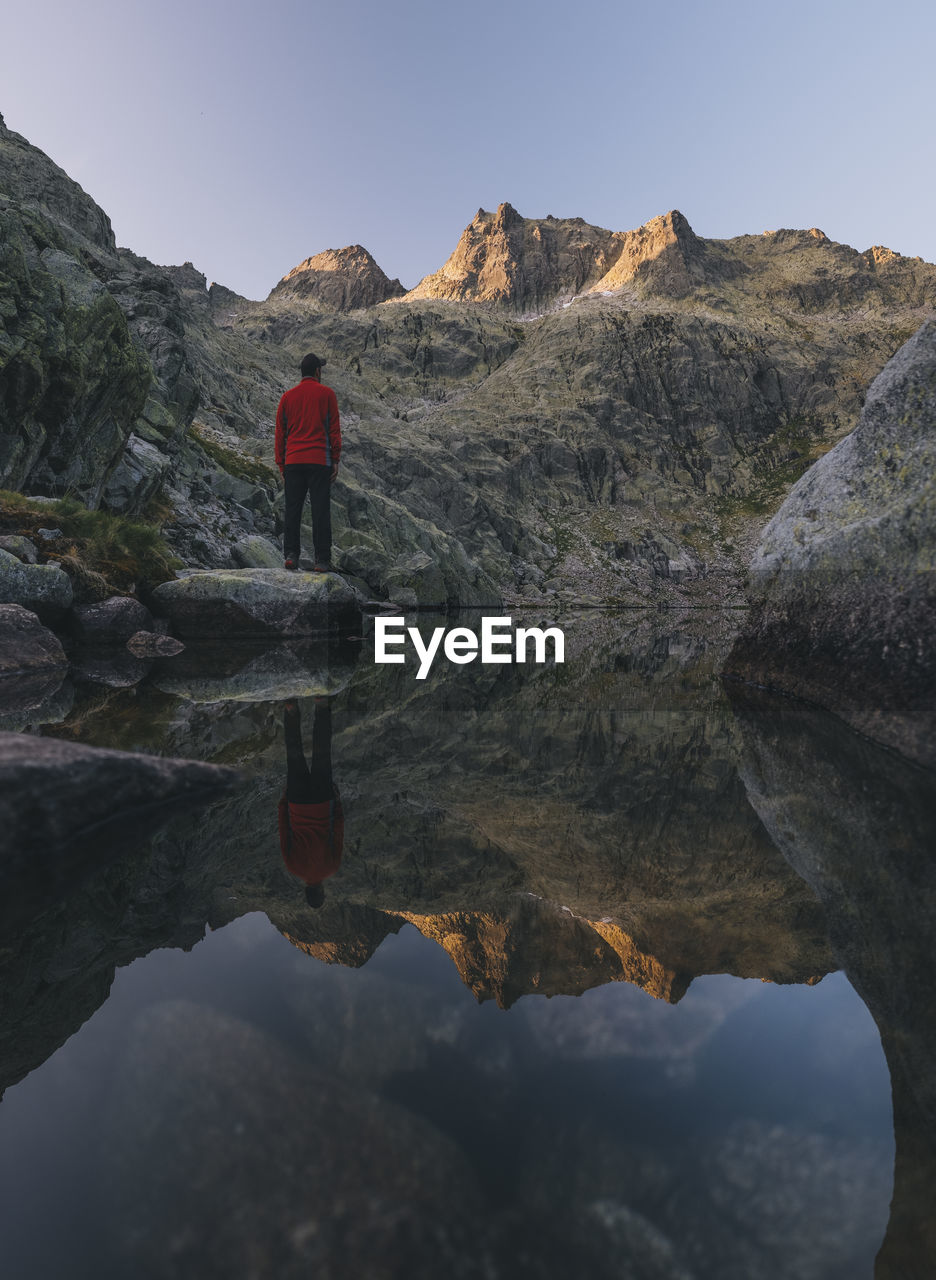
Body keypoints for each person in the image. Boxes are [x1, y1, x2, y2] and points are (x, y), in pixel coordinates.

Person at [274, 352, 341, 572]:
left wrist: (281, 464)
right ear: (317, 372)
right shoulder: (327, 394)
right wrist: (336, 460)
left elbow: (280, 434)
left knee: (293, 508)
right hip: (319, 460)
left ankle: (291, 555)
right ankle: (321, 560)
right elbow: (334, 430)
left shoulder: (287, 397)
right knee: (320, 510)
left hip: (293, 460)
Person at [279, 699, 344, 908]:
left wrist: (338, 801)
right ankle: (291, 711)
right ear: (306, 890)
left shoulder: (331, 867)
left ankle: (321, 706)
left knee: (322, 752)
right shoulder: (293, 867)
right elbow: (284, 830)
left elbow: (338, 829)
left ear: (322, 891)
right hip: (296, 803)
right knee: (294, 753)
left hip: (322, 801)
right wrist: (283, 802)